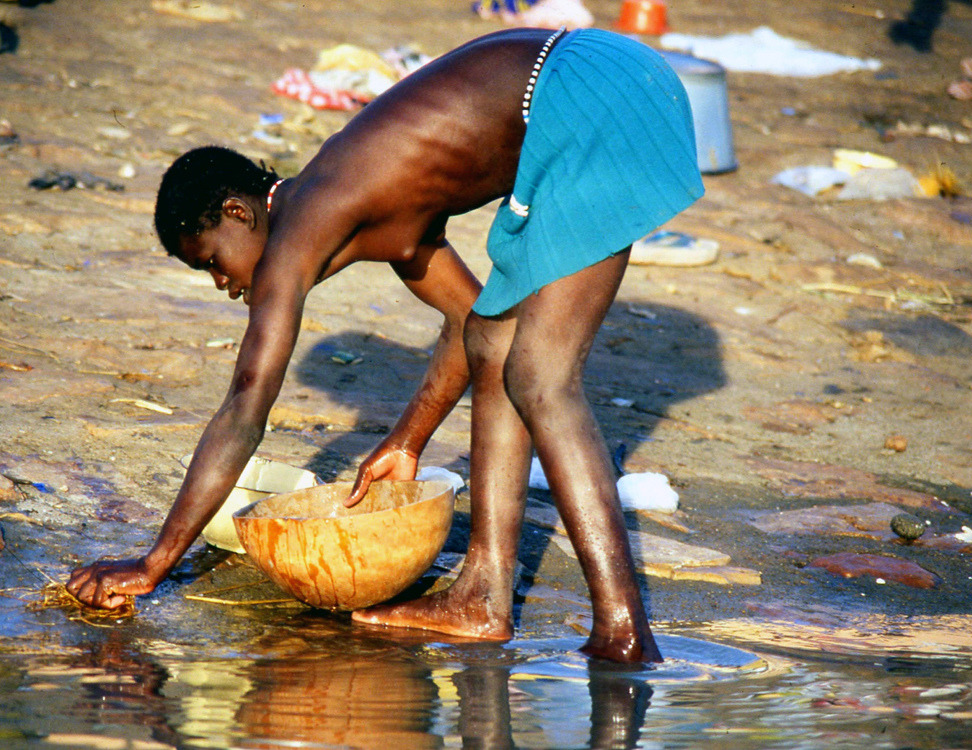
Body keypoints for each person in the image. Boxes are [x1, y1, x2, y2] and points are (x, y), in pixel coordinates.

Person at [67, 26, 703, 663]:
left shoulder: (306, 213)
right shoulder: (363, 204)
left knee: (540, 377)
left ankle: (623, 630)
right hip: (602, 84)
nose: (223, 284)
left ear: (238, 212)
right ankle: (481, 598)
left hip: (588, 88)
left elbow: (244, 408)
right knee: (493, 340)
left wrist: (152, 563)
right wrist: (407, 439)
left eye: (211, 261)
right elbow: (468, 322)